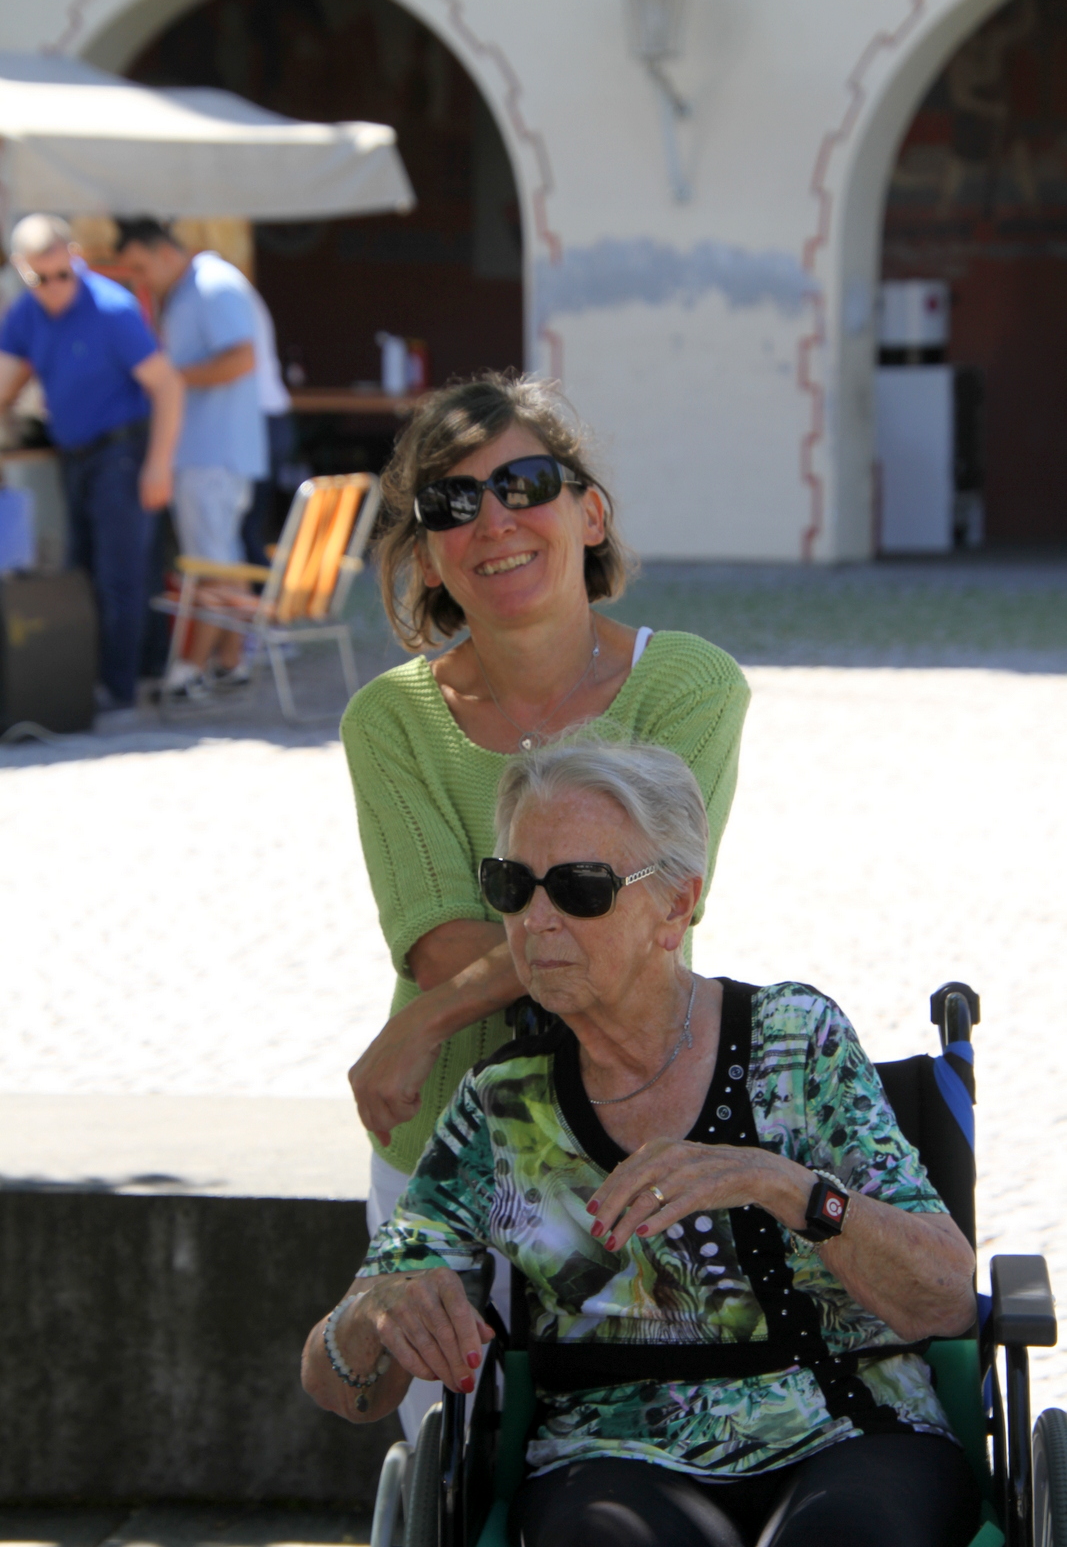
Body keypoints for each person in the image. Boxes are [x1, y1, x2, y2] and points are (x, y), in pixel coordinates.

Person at [303, 738, 981, 1547]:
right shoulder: (501, 1109)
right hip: (606, 1454)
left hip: (846, 1422)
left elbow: (945, 1296)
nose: (536, 920)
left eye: (580, 888)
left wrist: (782, 1186)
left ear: (674, 906)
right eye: (512, 886)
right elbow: (343, 1387)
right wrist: (370, 1314)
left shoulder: (794, 1042)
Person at [340, 376, 749, 1434]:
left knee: (650, 1445)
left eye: (523, 483)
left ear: (589, 512)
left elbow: (640, 921)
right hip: (445, 1146)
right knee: (451, 1456)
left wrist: (423, 1025)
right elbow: (442, 947)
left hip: (633, 1136)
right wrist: (468, 983)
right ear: (428, 556)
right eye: (450, 503)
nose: (493, 521)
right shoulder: (391, 719)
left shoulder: (690, 686)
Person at [0, 214, 183, 711]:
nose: (55, 287)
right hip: (73, 456)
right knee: (80, 571)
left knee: (119, 576)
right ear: (20, 269)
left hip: (122, 453)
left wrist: (159, 464)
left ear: (75, 258)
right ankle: (91, 680)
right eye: (41, 279)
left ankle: (118, 690)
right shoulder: (25, 314)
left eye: (63, 274)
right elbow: (7, 380)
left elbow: (167, 386)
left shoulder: (112, 309)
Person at [115, 219, 267, 702]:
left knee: (209, 565)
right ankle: (230, 662)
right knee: (222, 561)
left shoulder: (210, 286)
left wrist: (170, 380)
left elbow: (242, 359)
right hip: (212, 453)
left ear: (165, 253)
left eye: (141, 267)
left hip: (211, 455)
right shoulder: (192, 288)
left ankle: (190, 670)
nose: (139, 280)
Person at [241, 286, 296, 569]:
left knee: (245, 532)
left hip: (255, 422)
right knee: (249, 531)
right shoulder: (236, 289)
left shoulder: (220, 290)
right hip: (268, 419)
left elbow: (240, 361)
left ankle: (260, 594)